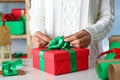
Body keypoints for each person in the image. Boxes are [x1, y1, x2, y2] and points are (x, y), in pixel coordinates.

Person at [29, 0, 114, 58]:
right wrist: (37, 31)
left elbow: (108, 16)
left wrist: (91, 34)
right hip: (49, 59)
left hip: (90, 59)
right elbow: (37, 15)